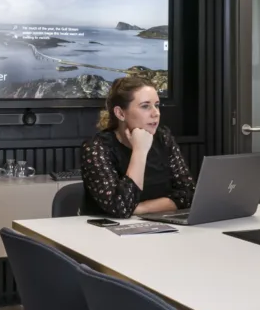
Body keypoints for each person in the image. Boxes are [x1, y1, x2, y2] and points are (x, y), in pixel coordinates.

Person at [79, 76, 196, 217]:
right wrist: (140, 151)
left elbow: (189, 194)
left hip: (158, 228)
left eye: (157, 105)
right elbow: (121, 207)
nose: (156, 113)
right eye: (145, 106)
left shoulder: (163, 137)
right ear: (120, 113)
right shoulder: (96, 147)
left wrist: (140, 209)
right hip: (108, 234)